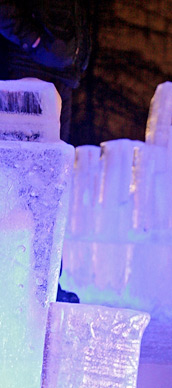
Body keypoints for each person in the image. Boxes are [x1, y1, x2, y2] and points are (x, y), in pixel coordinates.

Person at [0, 0, 91, 302]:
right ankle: (22, 284)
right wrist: (35, 40)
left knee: (50, 186)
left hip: (58, 74)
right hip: (27, 69)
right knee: (26, 185)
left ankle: (44, 283)